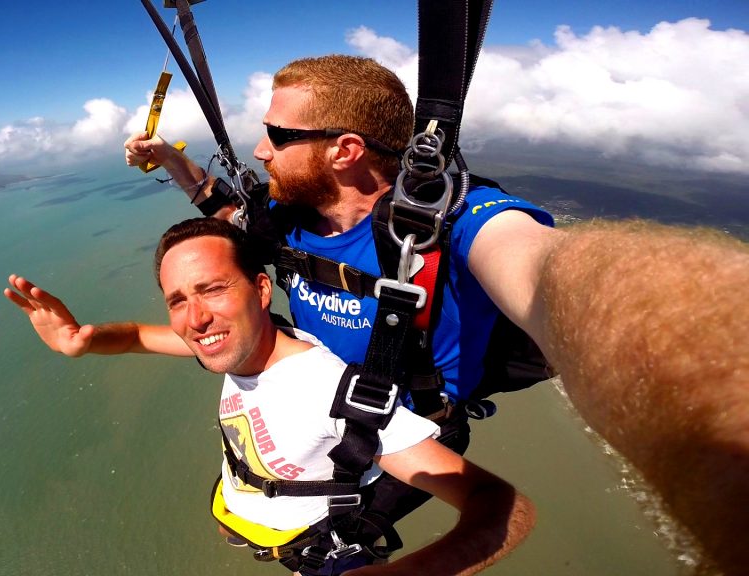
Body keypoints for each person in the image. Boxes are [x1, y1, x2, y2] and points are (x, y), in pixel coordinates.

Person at [120, 55, 749, 574]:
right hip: (330, 416)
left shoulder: (454, 225)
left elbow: (552, 271)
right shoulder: (289, 215)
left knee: (329, 549)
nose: (260, 150)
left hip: (409, 436)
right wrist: (173, 161)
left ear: (344, 150)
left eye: (279, 137)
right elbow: (223, 210)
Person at [4, 217, 535, 575]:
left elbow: (503, 509)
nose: (195, 319)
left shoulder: (328, 391)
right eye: (178, 300)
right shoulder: (234, 345)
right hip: (250, 513)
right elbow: (142, 336)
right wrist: (84, 341)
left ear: (261, 290)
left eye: (212, 289)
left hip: (314, 548)